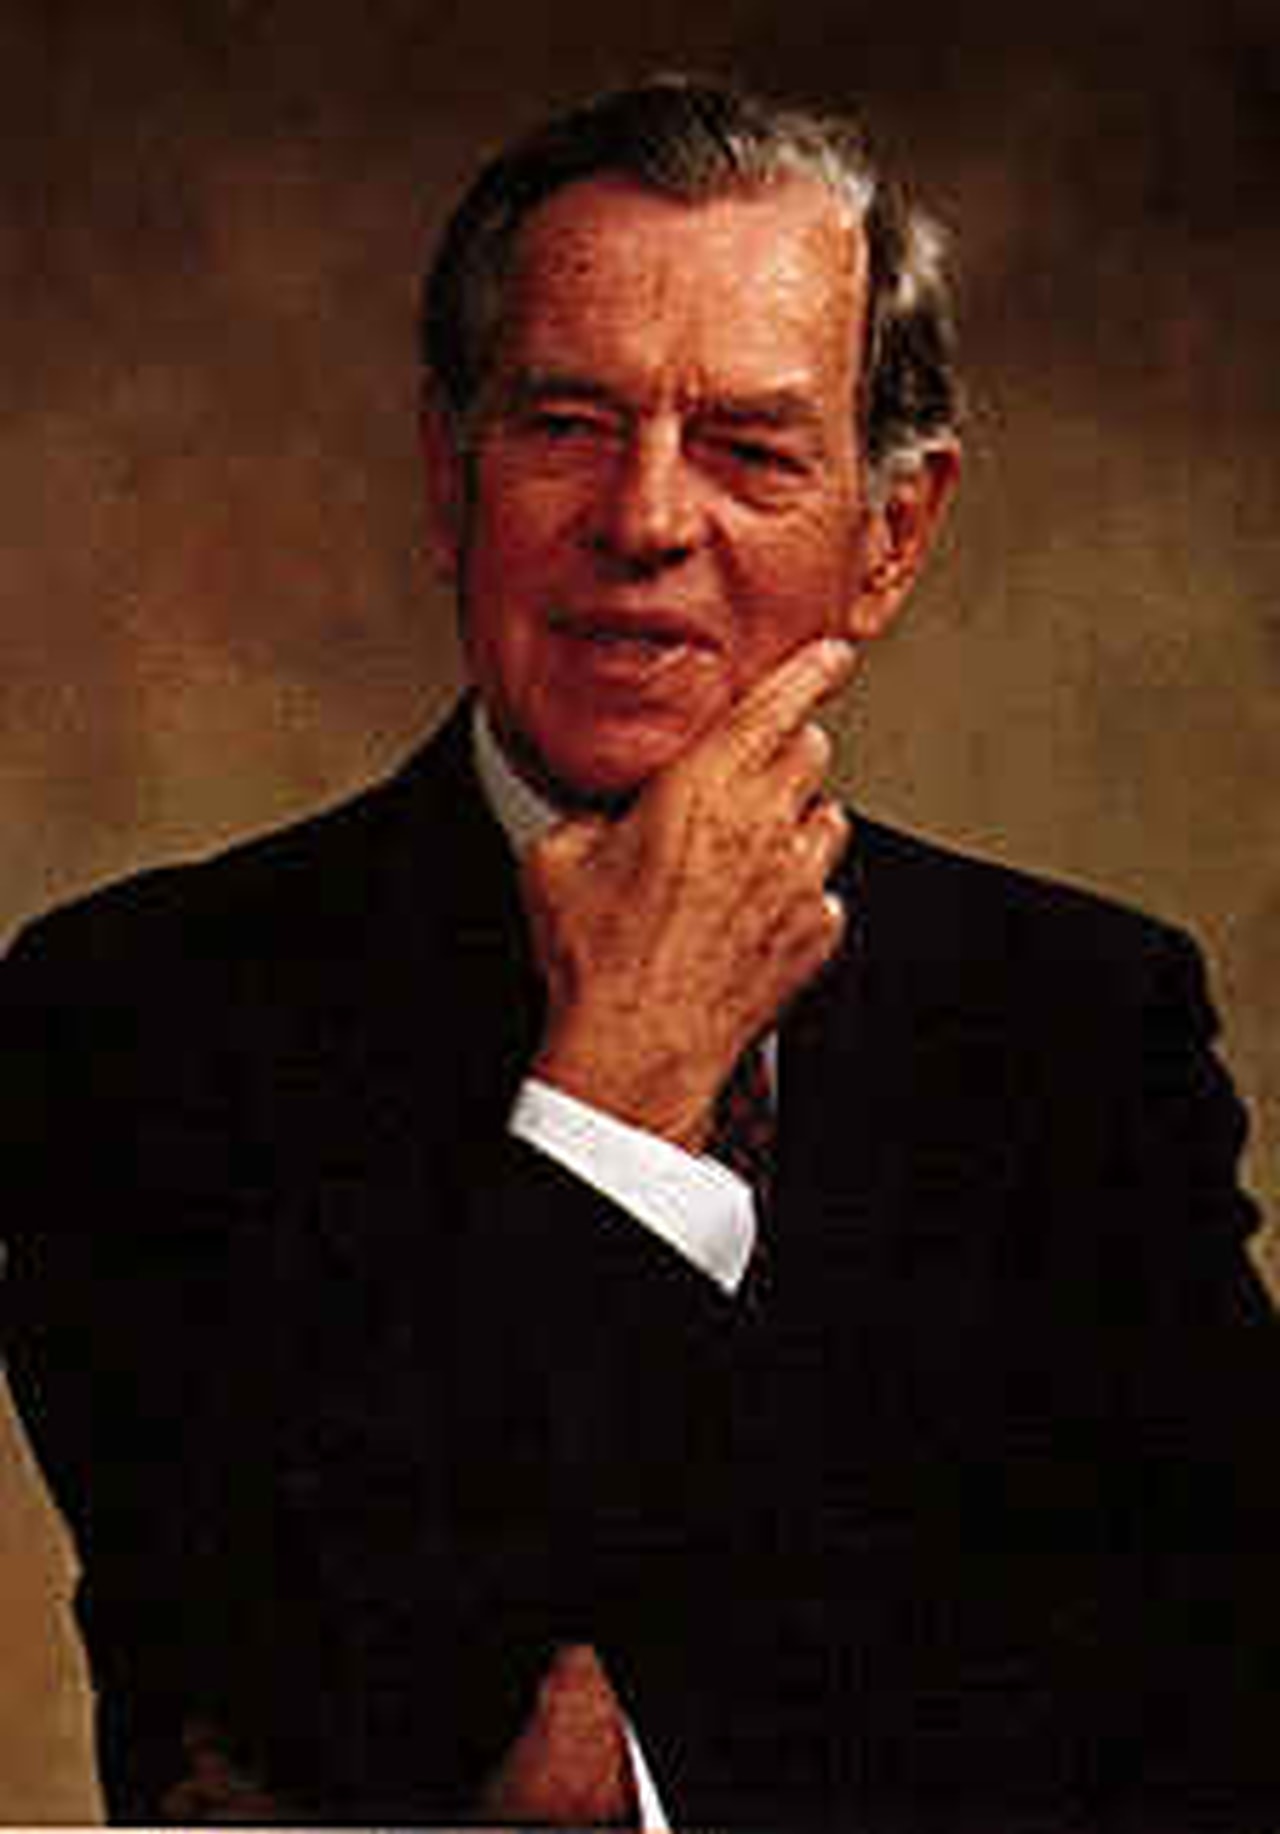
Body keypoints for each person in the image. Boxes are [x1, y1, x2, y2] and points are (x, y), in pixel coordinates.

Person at [4, 75, 1279, 1832]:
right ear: (450, 481)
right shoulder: (127, 1015)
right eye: (567, 425)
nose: (646, 518)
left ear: (892, 535)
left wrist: (647, 1764)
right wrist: (612, 1097)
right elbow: (318, 1704)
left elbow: (1221, 1719)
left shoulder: (1082, 1024)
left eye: (751, 448)